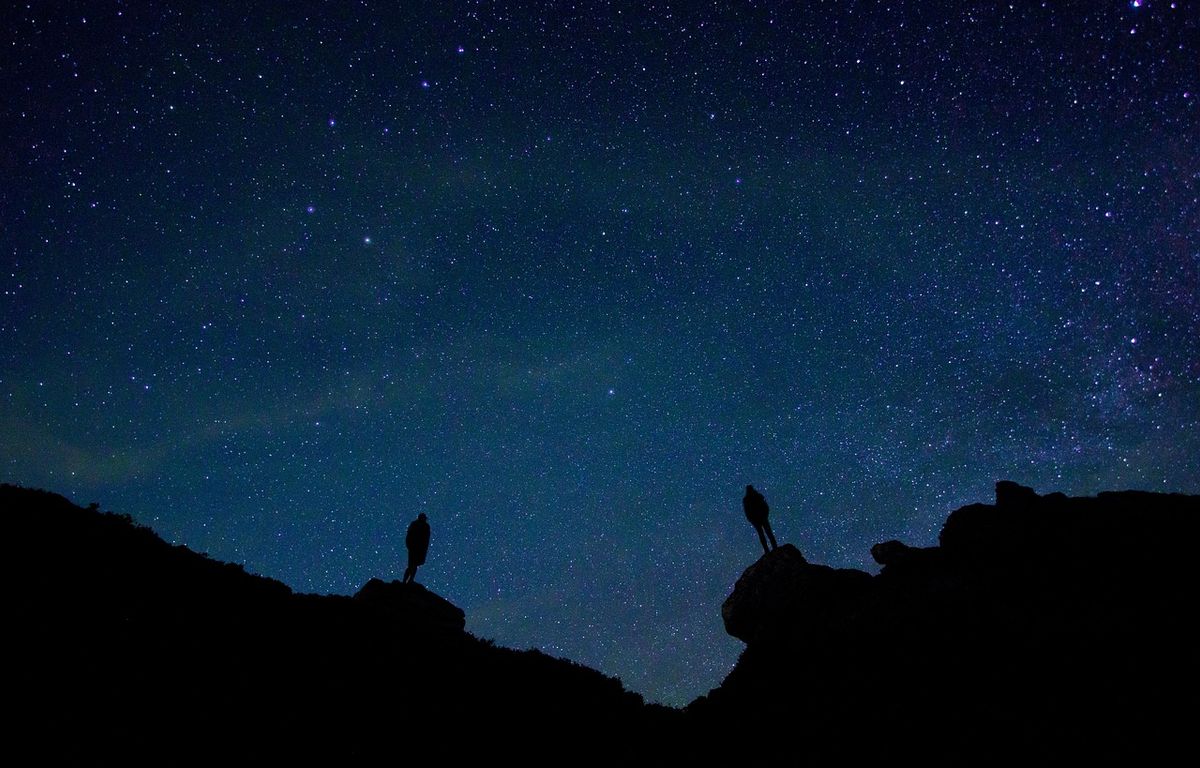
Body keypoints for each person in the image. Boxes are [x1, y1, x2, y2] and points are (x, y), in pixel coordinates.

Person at [743, 484, 777, 555]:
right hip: (759, 519)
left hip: (759, 519)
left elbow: (765, 506)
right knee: (767, 533)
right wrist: (764, 515)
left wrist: (764, 515)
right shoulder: (756, 496)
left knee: (765, 534)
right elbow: (765, 506)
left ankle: (769, 549)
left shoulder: (749, 499)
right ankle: (772, 548)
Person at [403, 512, 431, 584]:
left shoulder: (422, 526)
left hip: (417, 548)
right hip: (415, 548)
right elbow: (410, 535)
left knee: (412, 565)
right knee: (412, 564)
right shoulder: (422, 526)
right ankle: (408, 580)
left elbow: (426, 539)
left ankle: (408, 580)